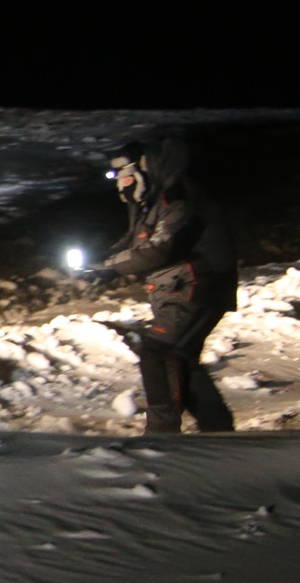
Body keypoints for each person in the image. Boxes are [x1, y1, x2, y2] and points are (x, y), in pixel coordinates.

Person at [85, 139, 237, 435]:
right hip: (182, 287)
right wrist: (100, 261)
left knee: (159, 351)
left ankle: (162, 436)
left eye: (124, 175)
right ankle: (218, 429)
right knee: (180, 358)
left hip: (197, 287)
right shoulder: (153, 202)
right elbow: (137, 243)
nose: (121, 185)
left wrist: (113, 267)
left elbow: (162, 248)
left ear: (144, 170)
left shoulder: (177, 197)